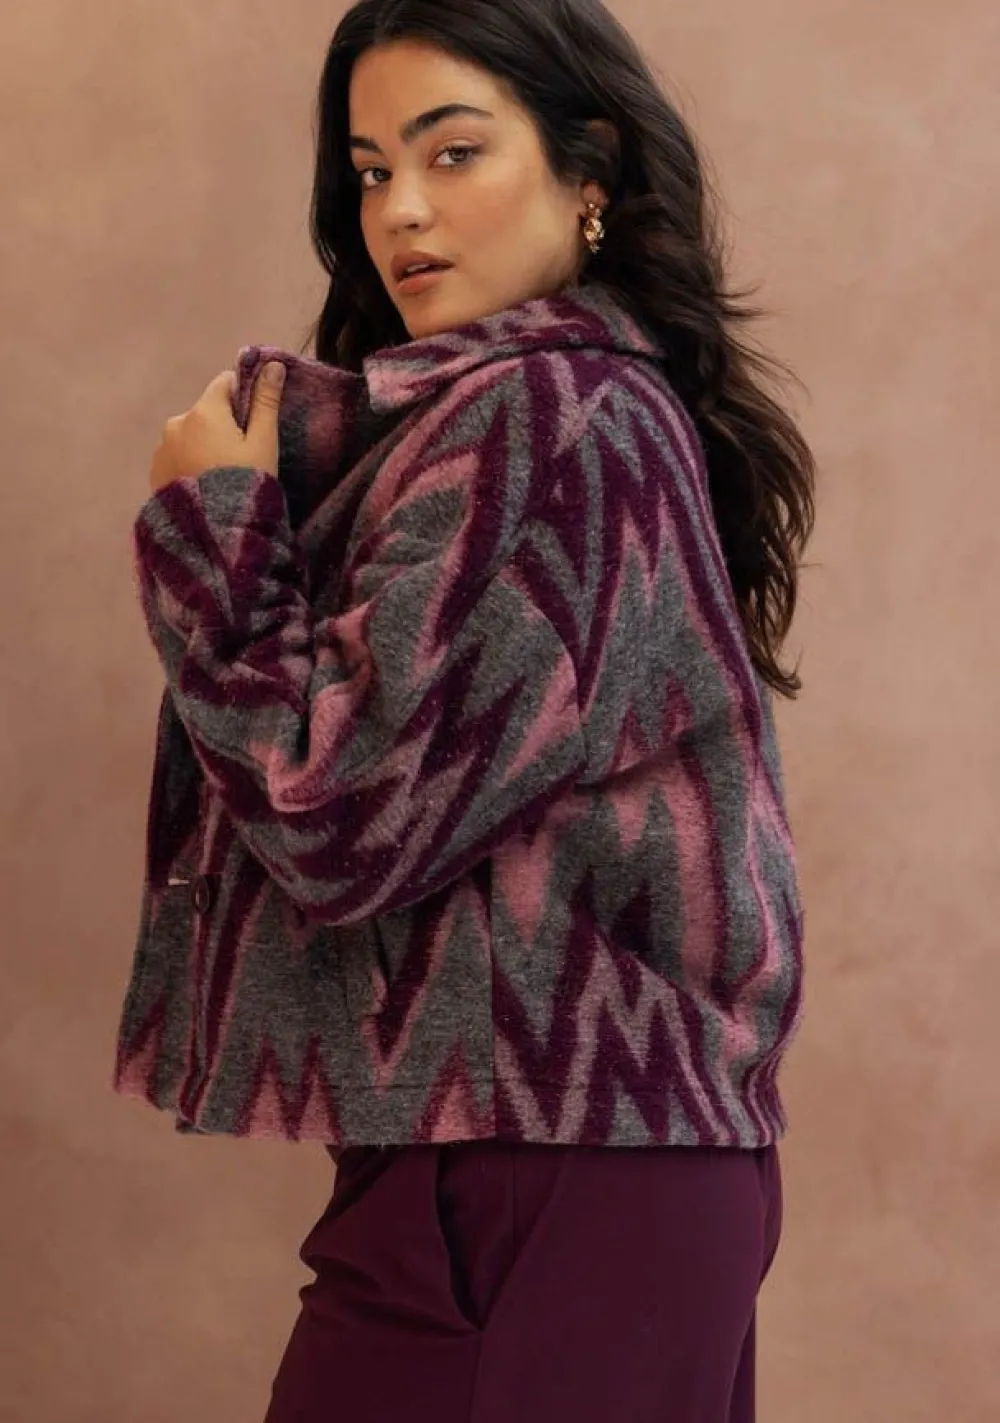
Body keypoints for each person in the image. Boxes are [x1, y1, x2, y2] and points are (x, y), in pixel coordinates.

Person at [112, 0, 816, 1418]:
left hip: (540, 1173)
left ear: (590, 173)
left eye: (453, 152)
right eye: (372, 170)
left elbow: (340, 814)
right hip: (569, 1161)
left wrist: (215, 529)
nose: (402, 212)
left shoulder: (550, 421)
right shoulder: (568, 412)